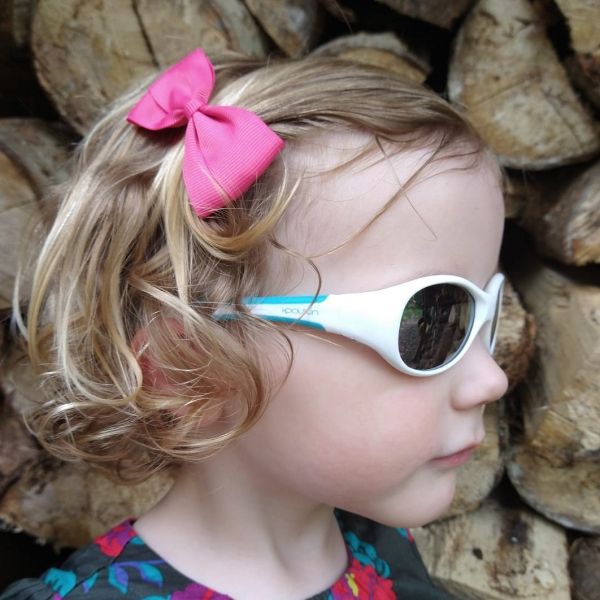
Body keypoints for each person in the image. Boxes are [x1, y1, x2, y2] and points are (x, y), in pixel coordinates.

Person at [2, 47, 509, 599]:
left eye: (489, 308)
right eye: (431, 321)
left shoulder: (375, 542)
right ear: (190, 367)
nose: (492, 378)